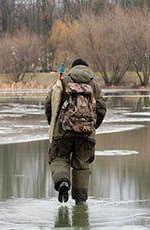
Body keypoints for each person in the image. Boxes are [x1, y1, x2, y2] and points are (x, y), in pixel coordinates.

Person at [45, 58, 107, 204]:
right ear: (87, 68)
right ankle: (80, 200)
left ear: (72, 68)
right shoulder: (94, 85)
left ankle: (62, 183)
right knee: (82, 165)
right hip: (86, 134)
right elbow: (102, 108)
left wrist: (54, 125)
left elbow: (49, 104)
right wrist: (92, 126)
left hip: (63, 132)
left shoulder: (63, 82)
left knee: (59, 158)